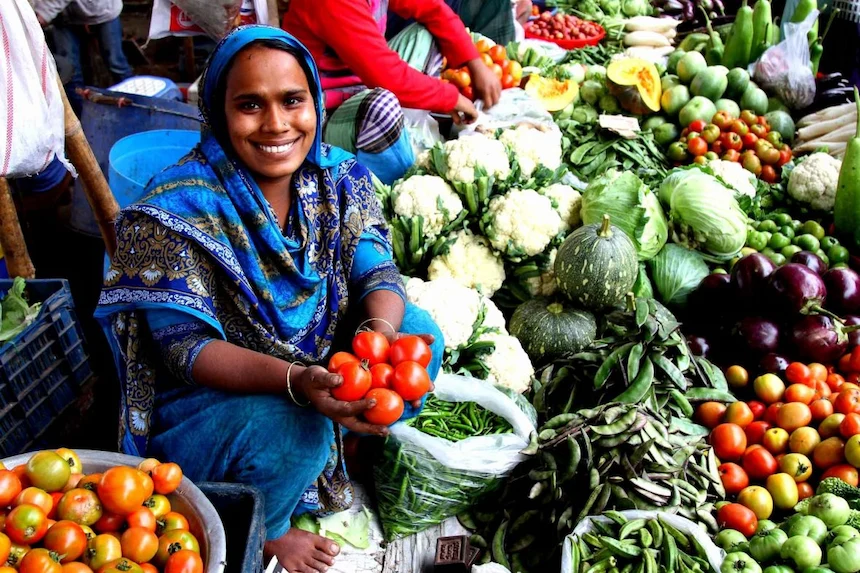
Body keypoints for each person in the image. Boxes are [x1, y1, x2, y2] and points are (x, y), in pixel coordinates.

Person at [94, 26, 444, 573]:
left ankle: (338, 445)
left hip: (316, 367)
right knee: (295, 429)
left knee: (422, 333)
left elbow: (378, 270)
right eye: (250, 105)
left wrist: (380, 340)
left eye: (292, 100)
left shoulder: (339, 177)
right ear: (217, 111)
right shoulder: (172, 211)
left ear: (315, 101)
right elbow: (187, 351)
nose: (277, 124)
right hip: (207, 402)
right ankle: (270, 525)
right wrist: (297, 382)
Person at [281, 0, 502, 184]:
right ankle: (400, 181)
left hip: (361, 88)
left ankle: (400, 140)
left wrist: (474, 62)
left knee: (425, 33)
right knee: (381, 107)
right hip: (320, 119)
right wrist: (452, 98)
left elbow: (433, 9)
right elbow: (387, 77)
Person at [34, 0, 133, 116]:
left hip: (103, 10)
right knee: (70, 72)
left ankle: (136, 105)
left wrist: (41, 15)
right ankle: (82, 117)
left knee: (116, 64)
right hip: (66, 17)